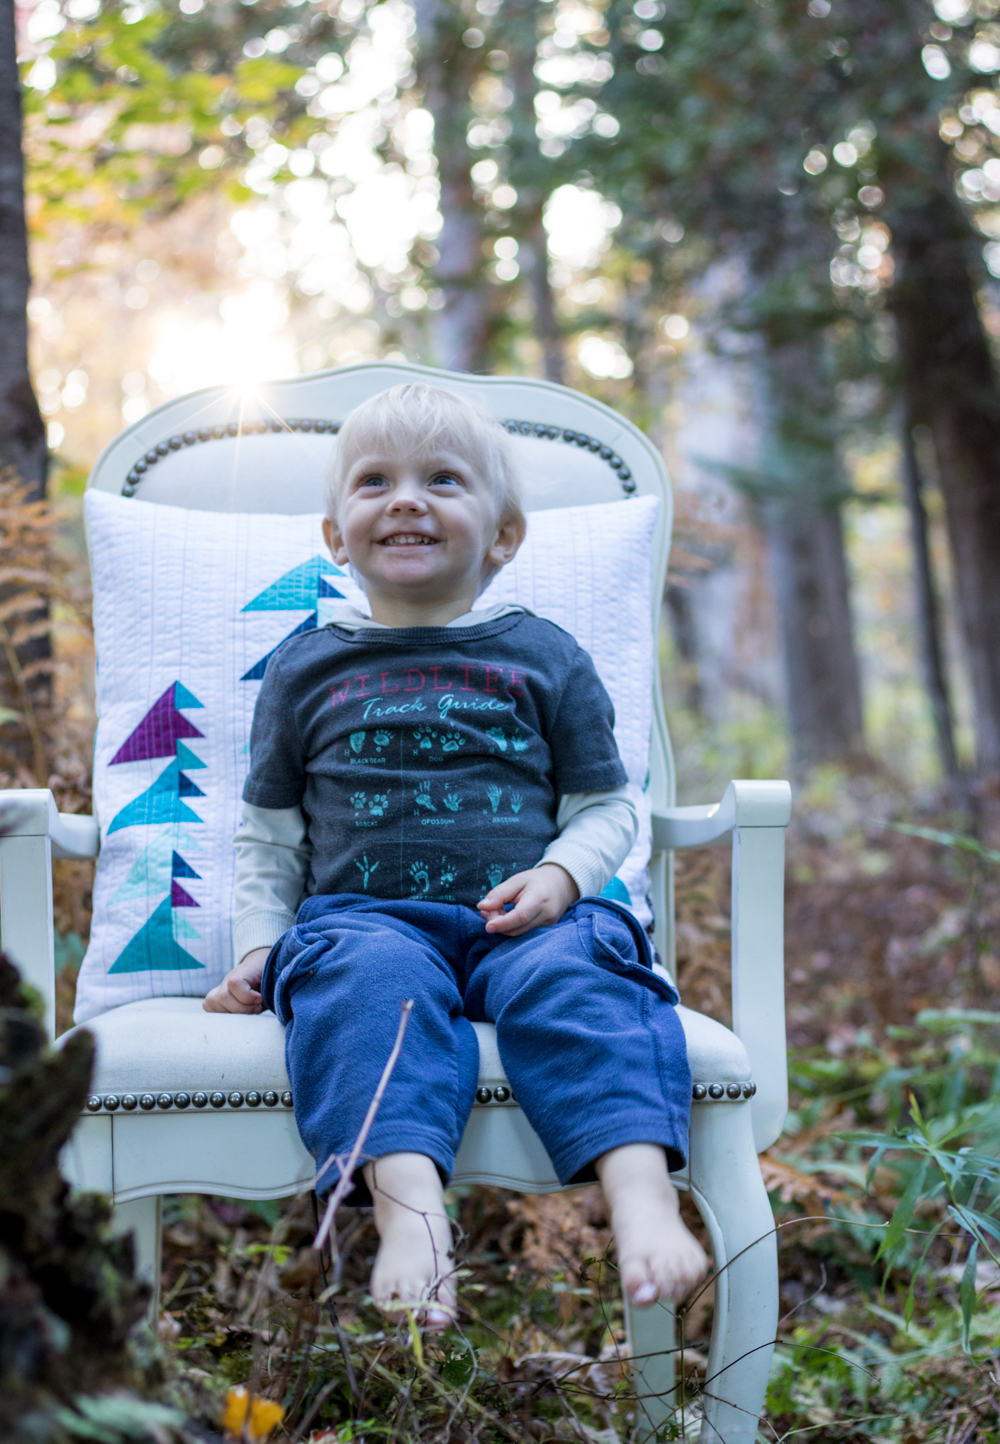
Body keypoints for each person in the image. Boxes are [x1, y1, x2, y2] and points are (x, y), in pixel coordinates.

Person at [204, 382, 707, 1329]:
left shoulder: (542, 655)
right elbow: (268, 839)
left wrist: (563, 878)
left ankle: (642, 1193)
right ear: (334, 535)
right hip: (365, 924)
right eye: (375, 482)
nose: (406, 499)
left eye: (442, 479)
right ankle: (411, 1216)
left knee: (587, 979)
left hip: (524, 924)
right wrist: (257, 947)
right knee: (363, 990)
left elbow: (605, 806)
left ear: (504, 534)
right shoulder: (304, 668)